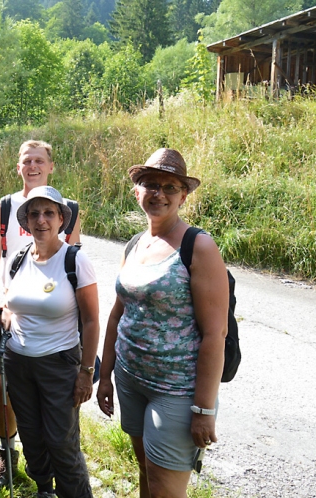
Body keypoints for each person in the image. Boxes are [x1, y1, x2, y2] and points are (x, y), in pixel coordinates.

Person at [96, 148, 229, 498]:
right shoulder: (136, 244)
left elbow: (216, 334)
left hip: (175, 390)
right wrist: (106, 375)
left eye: (170, 187)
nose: (159, 194)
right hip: (130, 379)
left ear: (183, 196)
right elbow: (116, 314)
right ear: (136, 191)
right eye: (150, 184)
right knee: (145, 473)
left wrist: (203, 409)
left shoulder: (198, 246)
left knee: (165, 490)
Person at [0, 186, 99, 498]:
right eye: (34, 213)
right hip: (18, 363)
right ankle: (43, 489)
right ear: (26, 221)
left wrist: (86, 372)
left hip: (59, 365)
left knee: (61, 442)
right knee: (32, 437)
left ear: (61, 218)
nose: (41, 220)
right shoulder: (20, 258)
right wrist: (1, 320)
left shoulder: (75, 260)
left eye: (49, 213)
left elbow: (91, 321)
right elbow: (10, 306)